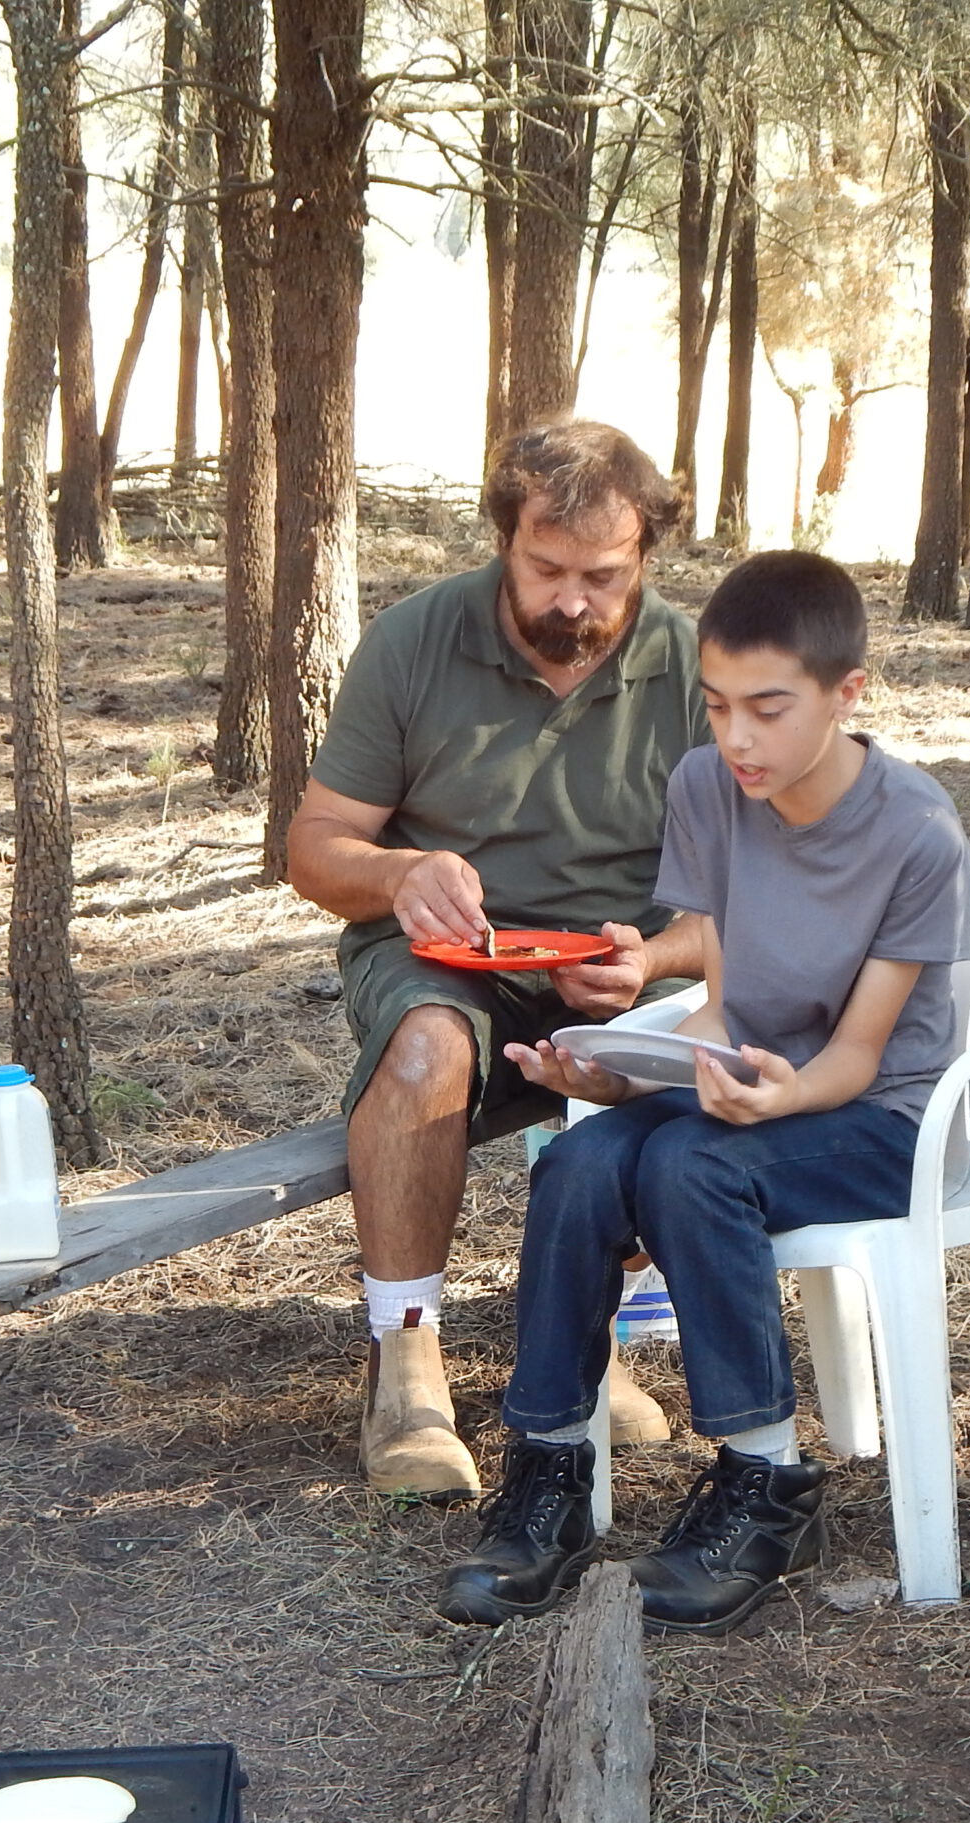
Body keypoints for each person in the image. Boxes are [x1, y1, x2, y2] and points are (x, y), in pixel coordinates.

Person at [445, 551, 970, 1634]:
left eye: (769, 710)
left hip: (880, 1121)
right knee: (584, 1160)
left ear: (846, 694)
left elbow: (861, 1057)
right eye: (718, 705)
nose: (738, 739)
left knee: (690, 1165)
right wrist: (610, 1073)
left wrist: (773, 1103)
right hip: (753, 1087)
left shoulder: (918, 833)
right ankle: (547, 1468)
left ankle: (764, 1480)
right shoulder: (709, 791)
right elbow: (726, 1008)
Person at [285, 422, 707, 1504]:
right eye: (547, 570)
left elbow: (765, 893)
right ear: (503, 541)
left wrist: (654, 956)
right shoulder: (418, 641)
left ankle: (580, 1340)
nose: (574, 601)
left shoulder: (698, 670)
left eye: (603, 578)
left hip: (620, 962)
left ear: (647, 559)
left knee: (662, 1048)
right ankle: (407, 1362)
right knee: (426, 1051)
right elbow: (314, 846)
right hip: (441, 954)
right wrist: (396, 874)